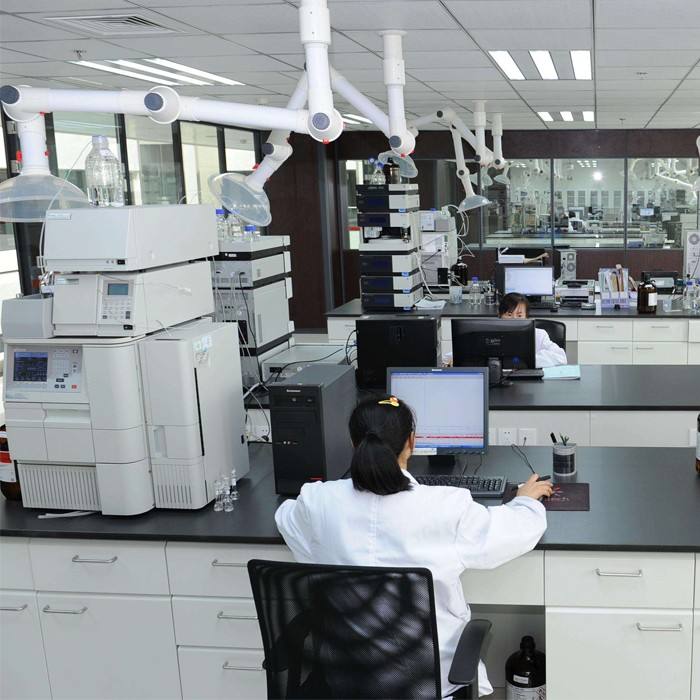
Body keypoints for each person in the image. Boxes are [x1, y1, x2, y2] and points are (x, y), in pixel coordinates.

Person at [275, 396, 552, 698]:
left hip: (345, 681)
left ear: (354, 443)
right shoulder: (446, 507)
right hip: (430, 683)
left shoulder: (317, 502)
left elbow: (285, 517)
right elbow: (515, 531)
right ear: (411, 442)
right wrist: (525, 501)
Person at [498, 292, 568, 368]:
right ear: (500, 315)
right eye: (509, 314)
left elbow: (561, 358)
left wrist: (529, 360)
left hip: (530, 374)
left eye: (519, 315)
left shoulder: (539, 335)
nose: (514, 319)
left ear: (526, 317)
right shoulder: (492, 335)